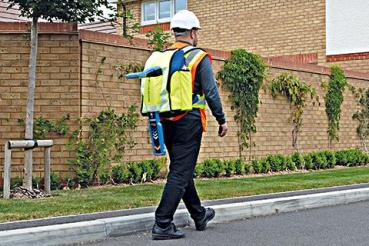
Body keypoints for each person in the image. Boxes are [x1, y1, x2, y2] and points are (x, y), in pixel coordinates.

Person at [151, 10, 228, 240]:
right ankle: (162, 223)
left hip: (165, 120)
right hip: (189, 121)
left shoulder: (163, 56)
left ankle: (199, 214)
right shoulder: (198, 57)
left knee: (181, 169)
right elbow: (211, 92)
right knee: (180, 171)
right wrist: (222, 119)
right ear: (193, 33)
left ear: (175, 32)